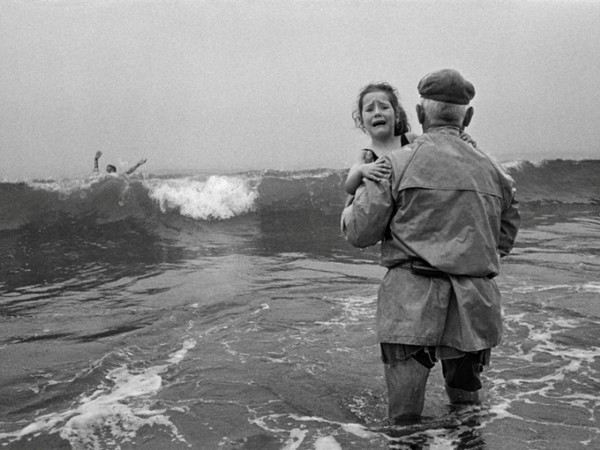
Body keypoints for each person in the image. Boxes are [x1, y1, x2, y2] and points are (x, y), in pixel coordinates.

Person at [341, 69, 520, 424]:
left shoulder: (393, 165)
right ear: (467, 117)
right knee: (467, 409)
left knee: (405, 419)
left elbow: (359, 233)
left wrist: (349, 204)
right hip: (474, 302)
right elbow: (504, 238)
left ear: (421, 116)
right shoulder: (497, 173)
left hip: (411, 302)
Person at [345, 83, 417, 195]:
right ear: (361, 121)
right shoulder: (366, 155)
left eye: (384, 107)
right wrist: (361, 170)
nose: (377, 113)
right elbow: (349, 187)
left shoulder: (411, 140)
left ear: (396, 115)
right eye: (369, 109)